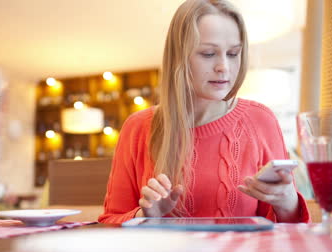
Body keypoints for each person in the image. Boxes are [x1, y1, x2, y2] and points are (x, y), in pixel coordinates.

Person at [98, 0, 310, 224]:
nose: (223, 67)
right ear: (179, 57)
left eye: (233, 53)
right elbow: (109, 222)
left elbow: (291, 231)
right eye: (208, 54)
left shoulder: (261, 120)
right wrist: (145, 216)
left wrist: (287, 203)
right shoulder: (138, 127)